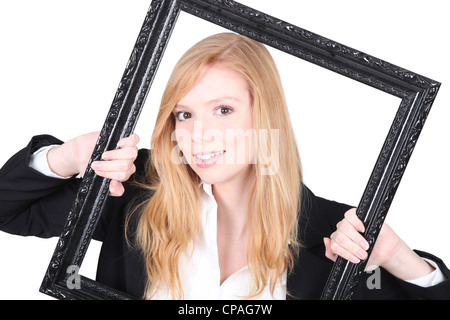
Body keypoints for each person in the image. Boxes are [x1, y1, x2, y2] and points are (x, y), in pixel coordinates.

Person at [0, 33, 448, 300]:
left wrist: (399, 261)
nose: (199, 135)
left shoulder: (336, 231)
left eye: (224, 110)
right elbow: (9, 211)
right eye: (185, 114)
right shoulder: (137, 188)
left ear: (264, 115)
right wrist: (71, 157)